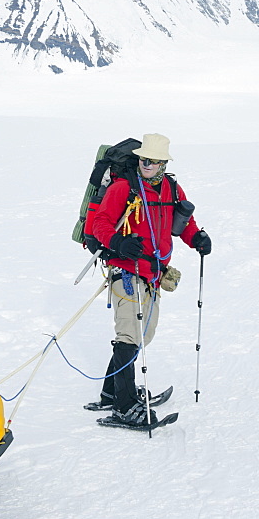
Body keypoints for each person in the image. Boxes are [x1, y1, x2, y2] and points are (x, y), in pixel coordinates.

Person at [88, 133, 210, 428]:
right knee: (130, 333)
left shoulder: (171, 188)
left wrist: (198, 238)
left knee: (145, 331)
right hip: (125, 268)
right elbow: (99, 224)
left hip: (154, 272)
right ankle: (125, 405)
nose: (147, 165)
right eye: (144, 159)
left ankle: (111, 390)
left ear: (164, 164)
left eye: (153, 161)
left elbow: (183, 224)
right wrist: (117, 242)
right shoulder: (123, 188)